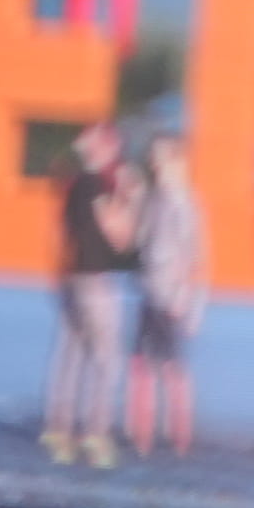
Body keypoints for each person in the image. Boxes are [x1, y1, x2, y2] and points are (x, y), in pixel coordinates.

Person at [42, 117, 134, 465]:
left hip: (69, 277)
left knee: (69, 355)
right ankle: (96, 434)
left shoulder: (72, 184)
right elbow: (119, 236)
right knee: (106, 359)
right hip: (95, 280)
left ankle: (57, 429)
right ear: (108, 148)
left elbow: (58, 233)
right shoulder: (99, 186)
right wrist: (128, 198)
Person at [125, 118, 205, 456]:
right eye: (153, 157)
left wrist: (190, 301)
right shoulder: (155, 198)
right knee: (142, 362)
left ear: (175, 159)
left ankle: (179, 433)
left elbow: (195, 255)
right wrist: (135, 200)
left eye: (161, 157)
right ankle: (141, 431)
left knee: (172, 366)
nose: (155, 164)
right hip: (150, 289)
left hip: (171, 295)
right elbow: (139, 241)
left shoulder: (185, 203)